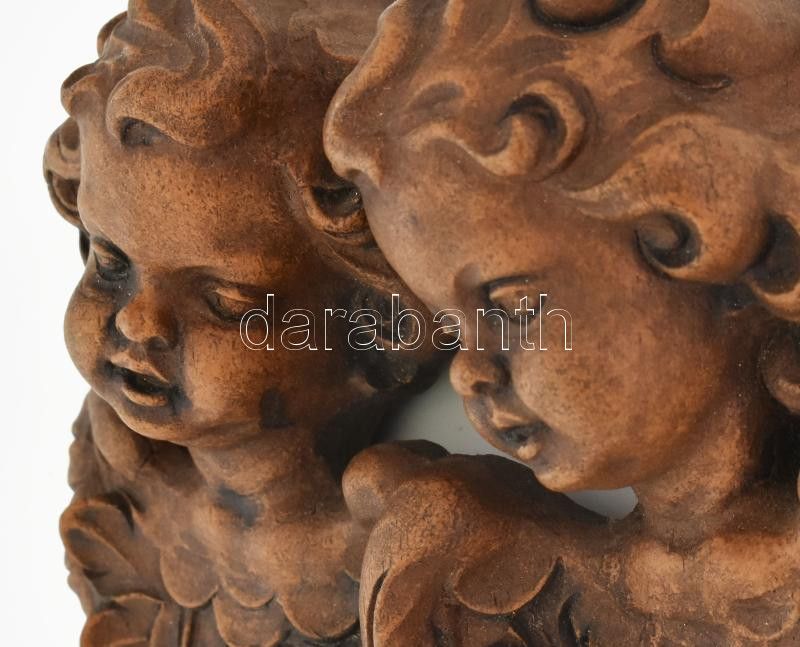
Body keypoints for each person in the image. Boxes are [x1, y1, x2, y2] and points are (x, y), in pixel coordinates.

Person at [326, 0, 800, 643]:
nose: (467, 373)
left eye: (513, 307)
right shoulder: (478, 569)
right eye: (450, 326)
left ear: (697, 241)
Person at [45, 1, 444, 643]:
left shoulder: (420, 547)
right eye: (110, 262)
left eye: (225, 302)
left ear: (377, 323)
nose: (139, 322)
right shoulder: (118, 472)